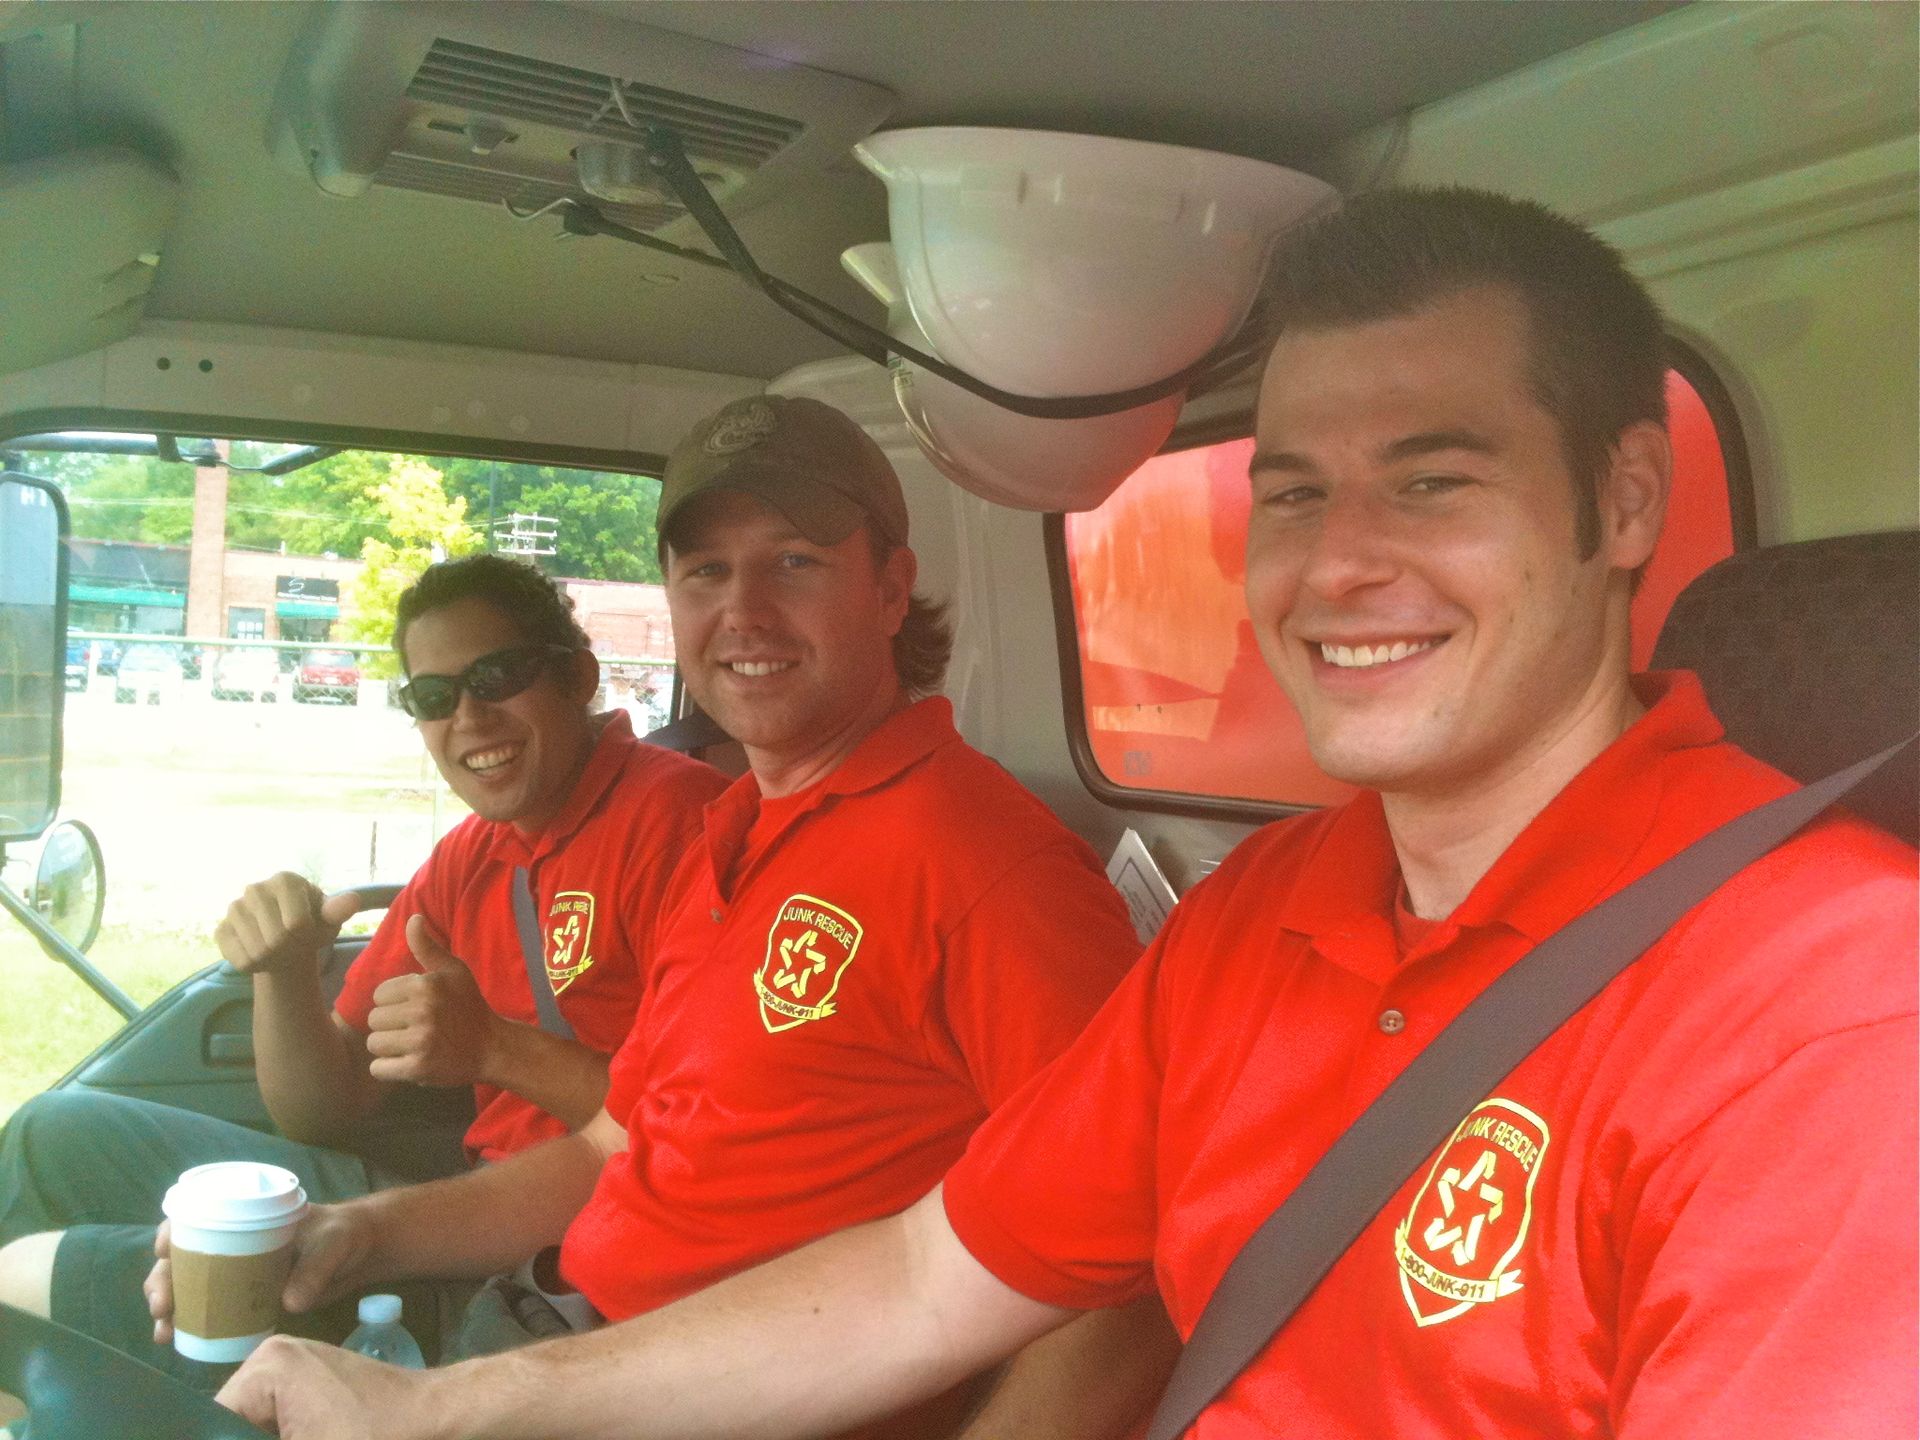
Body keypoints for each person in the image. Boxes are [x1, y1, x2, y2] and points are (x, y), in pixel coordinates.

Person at [215, 187, 1916, 1440]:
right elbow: (923, 1283)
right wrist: (444, 1411)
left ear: (1625, 500)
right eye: (1295, 489)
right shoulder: (1265, 915)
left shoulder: (1836, 1009)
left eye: (1435, 478)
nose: (1338, 563)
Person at [156, 396, 1167, 1435]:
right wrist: (358, 1235)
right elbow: (608, 1146)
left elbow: (1122, 1285)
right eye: (706, 573)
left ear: (892, 587)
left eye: (795, 562)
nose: (746, 614)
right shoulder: (733, 836)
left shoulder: (990, 868)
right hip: (559, 1333)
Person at [0, 553, 728, 1372]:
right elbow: (324, 1108)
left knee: (30, 1281)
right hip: (468, 1198)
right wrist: (283, 975)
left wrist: (494, 1049)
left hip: (556, 1266)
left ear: (578, 677)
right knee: (47, 1134)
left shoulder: (684, 825)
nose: (470, 716)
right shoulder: (469, 857)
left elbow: (686, 1138)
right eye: (433, 696)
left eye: (497, 676)